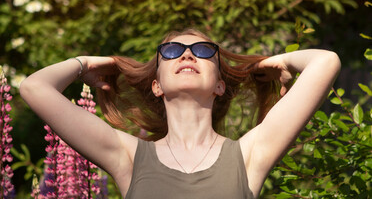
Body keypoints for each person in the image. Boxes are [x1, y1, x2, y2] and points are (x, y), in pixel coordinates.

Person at [20, 29, 341, 198]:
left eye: (203, 51)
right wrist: (85, 64)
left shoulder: (248, 155)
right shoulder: (128, 156)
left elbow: (325, 62)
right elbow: (34, 88)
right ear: (157, 84)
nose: (187, 53)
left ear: (218, 84)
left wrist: (278, 62)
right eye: (171, 51)